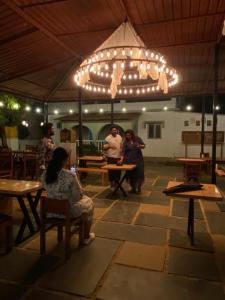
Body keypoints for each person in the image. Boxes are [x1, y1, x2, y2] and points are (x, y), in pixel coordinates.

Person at [42, 147, 95, 245]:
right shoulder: (70, 175)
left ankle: (82, 231)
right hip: (67, 212)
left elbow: (45, 188)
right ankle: (86, 236)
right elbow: (78, 196)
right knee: (90, 203)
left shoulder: (45, 173)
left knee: (83, 202)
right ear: (64, 160)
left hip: (51, 211)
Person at [119, 129, 145, 194]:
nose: (128, 137)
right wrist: (121, 159)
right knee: (131, 175)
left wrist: (140, 146)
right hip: (129, 160)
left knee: (139, 174)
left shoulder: (137, 138)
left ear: (132, 135)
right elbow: (123, 152)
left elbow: (144, 146)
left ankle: (139, 187)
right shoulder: (125, 142)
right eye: (126, 135)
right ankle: (133, 188)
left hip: (138, 159)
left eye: (129, 135)